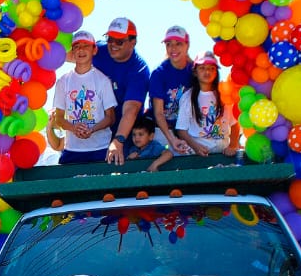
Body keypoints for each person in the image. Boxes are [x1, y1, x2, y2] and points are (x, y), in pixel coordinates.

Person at [52, 29, 117, 164]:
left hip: (100, 148)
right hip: (72, 149)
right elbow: (58, 118)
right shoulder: (63, 82)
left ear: (94, 50)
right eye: (77, 47)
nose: (81, 50)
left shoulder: (103, 81)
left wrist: (91, 129)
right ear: (73, 52)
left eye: (86, 46)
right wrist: (74, 128)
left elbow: (110, 117)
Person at [98, 17, 151, 165]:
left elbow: (131, 110)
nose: (113, 45)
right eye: (110, 39)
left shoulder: (139, 69)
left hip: (126, 138)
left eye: (119, 41)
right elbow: (66, 55)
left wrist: (118, 140)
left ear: (133, 42)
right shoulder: (97, 51)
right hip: (96, 132)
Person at [174, 51, 240, 157]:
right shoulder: (187, 97)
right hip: (197, 155)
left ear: (216, 72)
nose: (207, 72)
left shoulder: (224, 93)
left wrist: (232, 145)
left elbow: (235, 124)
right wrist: (196, 147)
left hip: (222, 153)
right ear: (195, 72)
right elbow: (182, 130)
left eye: (211, 68)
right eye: (202, 68)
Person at [148, 25, 195, 154]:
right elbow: (158, 113)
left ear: (187, 45)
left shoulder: (195, 71)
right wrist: (172, 139)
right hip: (163, 130)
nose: (173, 48)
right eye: (169, 44)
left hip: (188, 130)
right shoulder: (159, 74)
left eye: (178, 44)